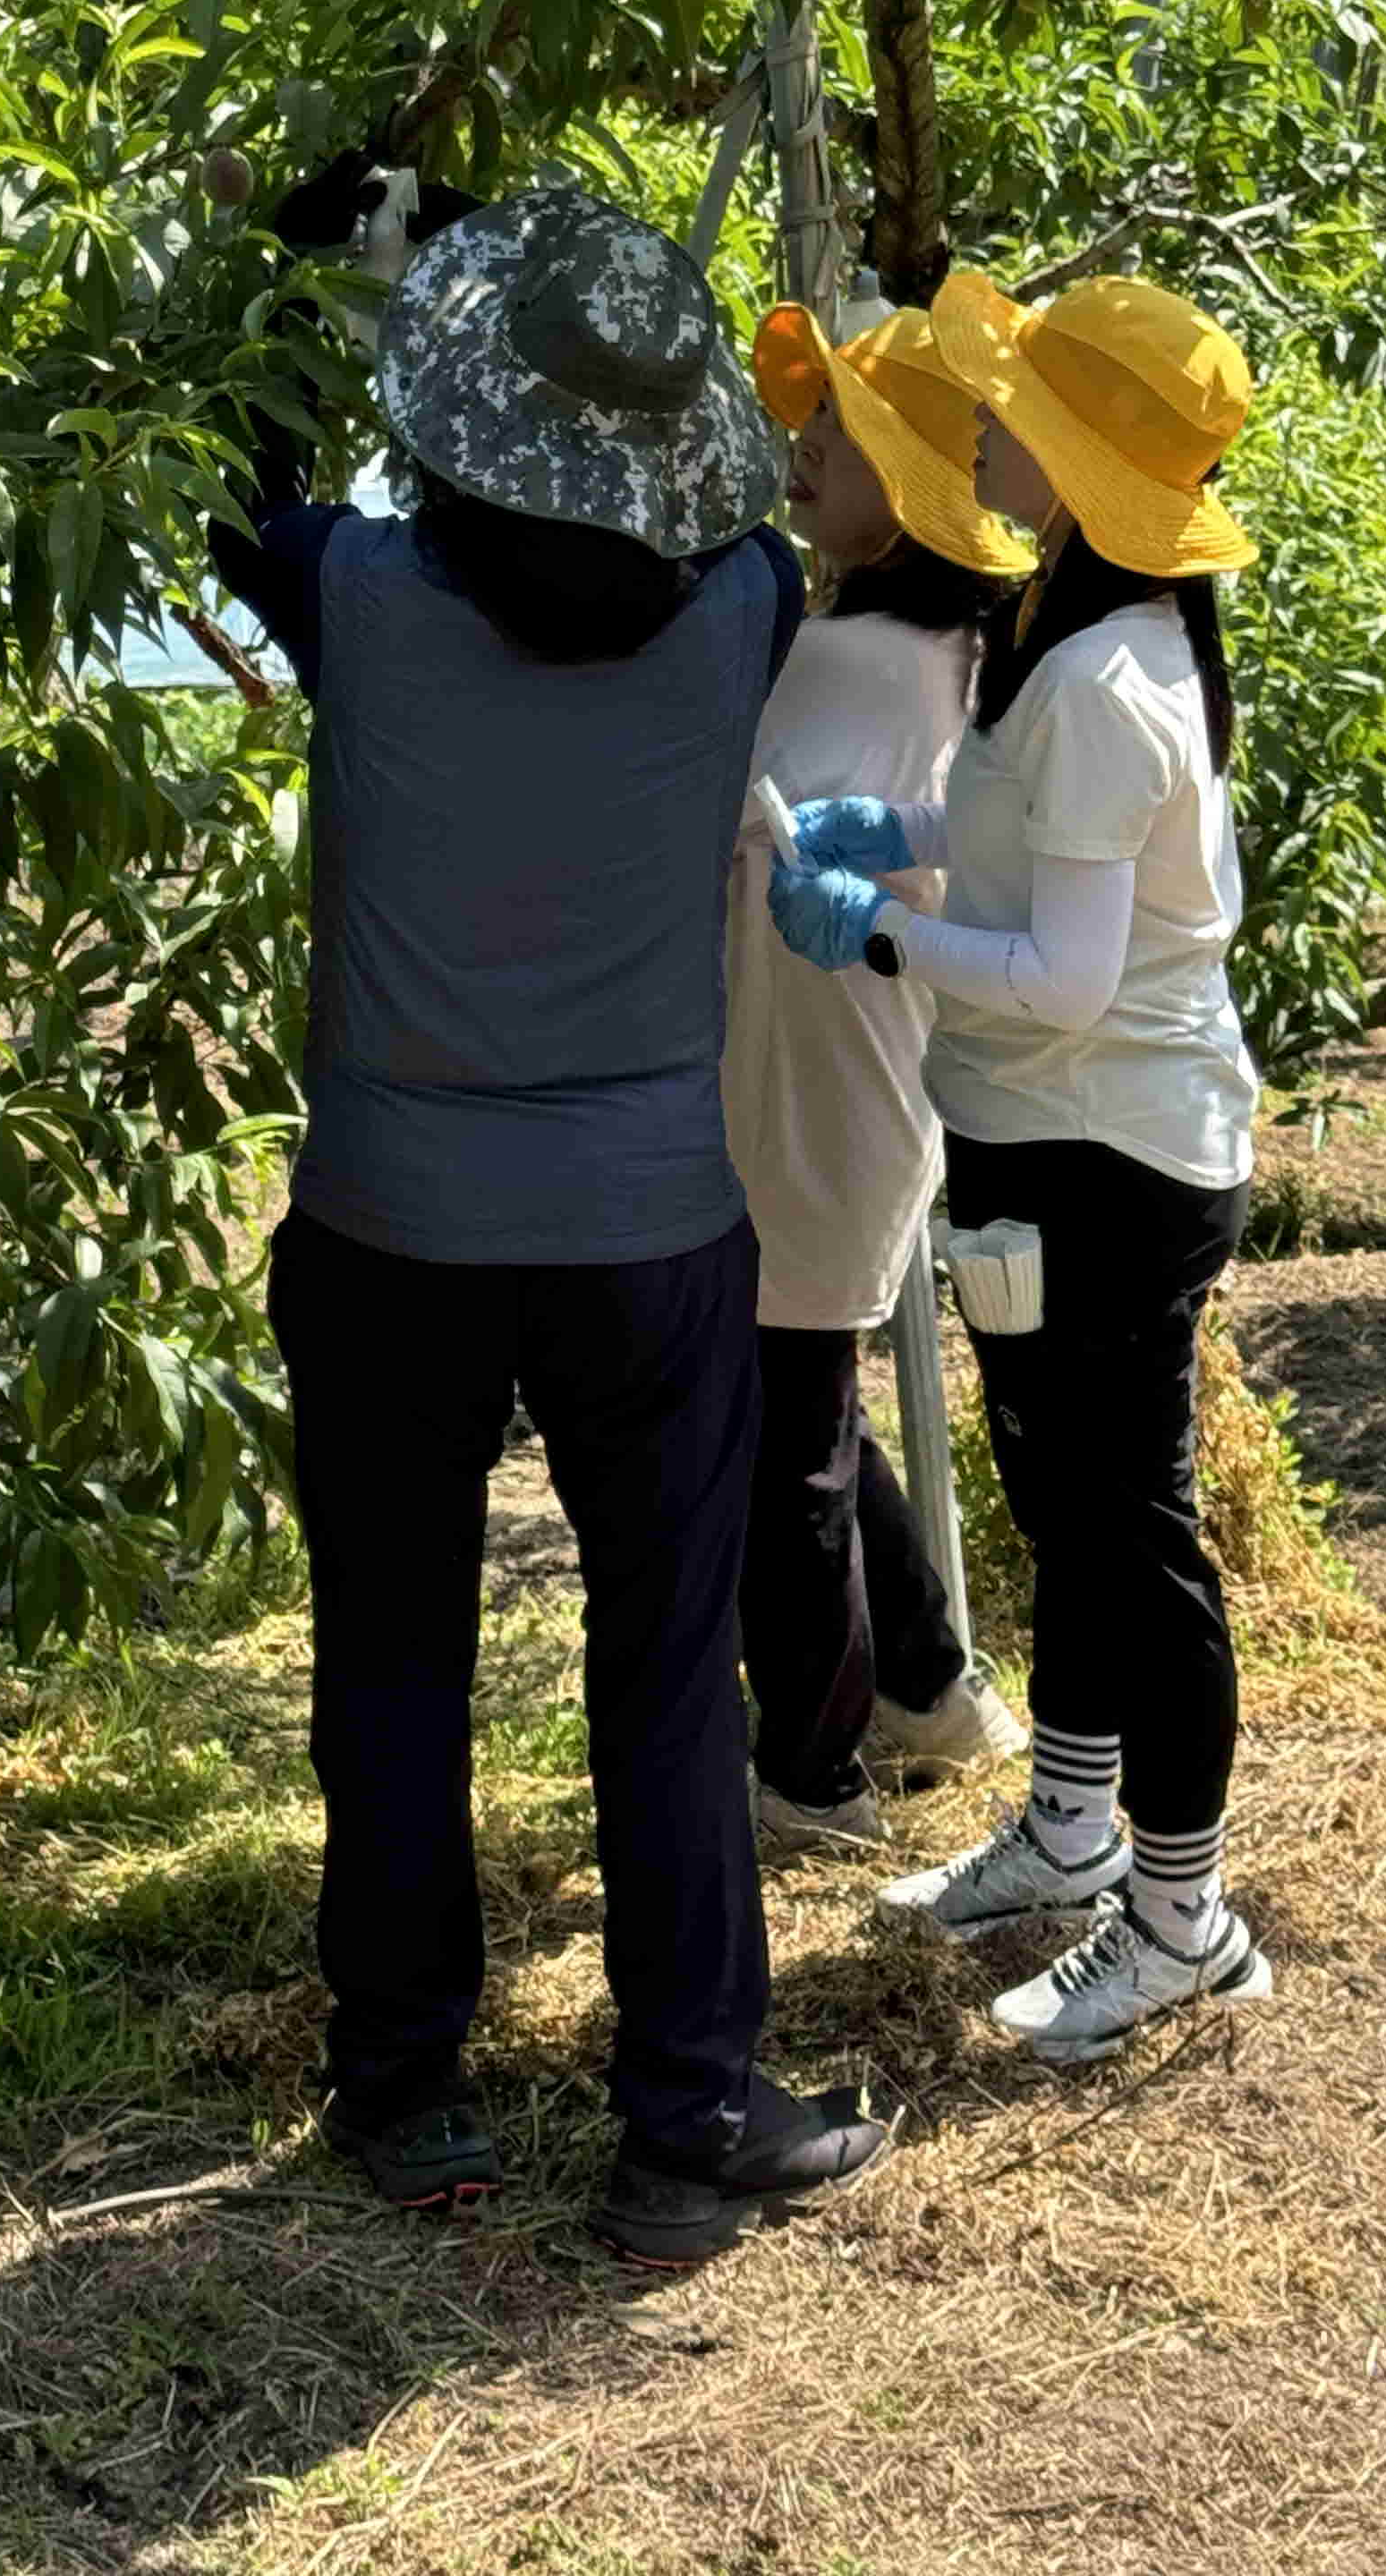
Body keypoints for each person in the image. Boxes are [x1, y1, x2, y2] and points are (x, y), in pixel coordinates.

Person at [215, 158, 887, 2268]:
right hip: (644, 1229)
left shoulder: (366, 601)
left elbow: (232, 469)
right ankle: (686, 2106)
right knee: (664, 1671)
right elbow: (765, 488)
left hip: (393, 1216)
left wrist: (319, 254)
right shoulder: (744, 612)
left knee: (393, 1657)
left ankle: (403, 2081)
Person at [767, 271, 1271, 2064]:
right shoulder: (1077, 610)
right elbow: (1005, 842)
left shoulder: (1117, 676)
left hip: (1112, 1160)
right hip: (1034, 1142)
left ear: (1073, 447)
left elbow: (1062, 978)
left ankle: (1181, 1915)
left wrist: (877, 932)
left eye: (1017, 399)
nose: (981, 416)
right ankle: (1068, 1833)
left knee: (1135, 1538)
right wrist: (890, 837)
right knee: (1063, 1502)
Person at [726, 297, 1032, 1857]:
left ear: (902, 487)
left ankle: (816, 1770)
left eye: (829, 436)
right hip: (860, 1081)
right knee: (804, 1392)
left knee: (781, 1432)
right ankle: (922, 1684)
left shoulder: (840, 652)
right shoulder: (949, 648)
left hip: (803, 1082)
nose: (800, 454)